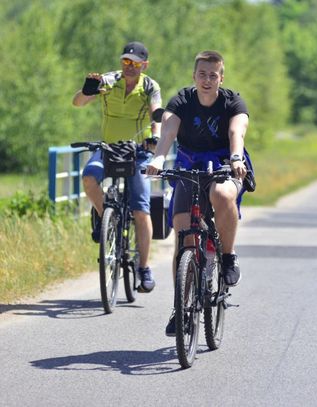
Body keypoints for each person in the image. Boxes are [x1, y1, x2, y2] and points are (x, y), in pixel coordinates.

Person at [146, 50, 250, 336]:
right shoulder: (182, 100)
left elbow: (237, 133)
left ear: (221, 78)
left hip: (225, 161)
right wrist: (158, 158)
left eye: (213, 75)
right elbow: (168, 131)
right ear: (194, 76)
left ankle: (227, 256)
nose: (207, 80)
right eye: (202, 74)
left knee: (222, 195)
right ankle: (180, 309)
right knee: (184, 240)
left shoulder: (232, 102)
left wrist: (237, 158)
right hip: (189, 164)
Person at [72, 41, 162, 293]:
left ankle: (144, 268)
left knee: (141, 210)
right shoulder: (109, 80)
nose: (129, 66)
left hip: (138, 151)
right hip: (108, 148)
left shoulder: (150, 86)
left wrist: (155, 137)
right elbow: (78, 102)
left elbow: (156, 113)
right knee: (89, 177)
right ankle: (106, 218)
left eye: (135, 63)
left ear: (145, 65)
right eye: (125, 61)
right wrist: (87, 91)